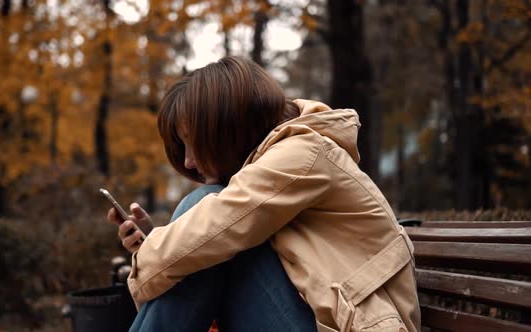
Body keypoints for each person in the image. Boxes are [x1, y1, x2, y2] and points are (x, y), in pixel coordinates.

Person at [107, 56, 421, 332]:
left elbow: (216, 227)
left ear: (227, 129)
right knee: (199, 235)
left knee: (202, 216)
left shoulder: (304, 153)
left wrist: (150, 259)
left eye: (193, 142)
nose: (188, 160)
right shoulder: (280, 162)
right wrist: (159, 245)